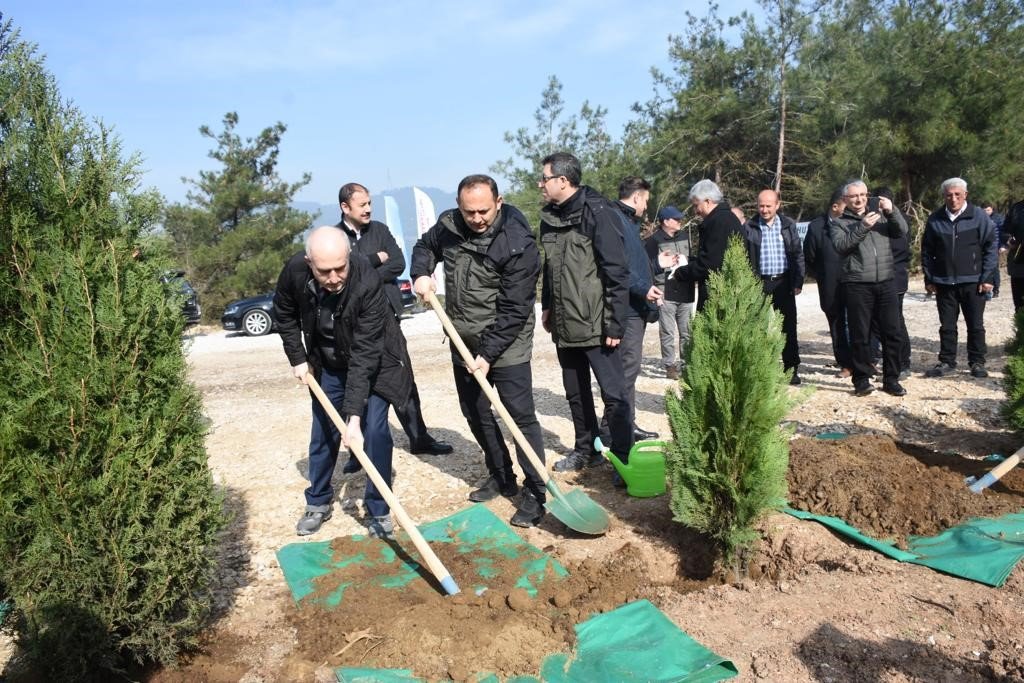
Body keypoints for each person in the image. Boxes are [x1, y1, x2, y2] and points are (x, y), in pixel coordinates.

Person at [410, 175, 547, 527]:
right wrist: (422, 273)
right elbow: (425, 247)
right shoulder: (449, 226)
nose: (477, 219)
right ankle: (501, 474)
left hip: (507, 343)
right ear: (459, 207)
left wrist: (487, 356)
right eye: (469, 211)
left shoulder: (517, 242)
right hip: (462, 338)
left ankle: (536, 492)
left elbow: (516, 309)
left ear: (498, 203)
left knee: (519, 417)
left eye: (484, 211)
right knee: (475, 411)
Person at [273, 226, 412, 538]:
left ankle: (379, 509)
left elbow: (365, 353)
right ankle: (318, 502)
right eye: (325, 271)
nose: (334, 278)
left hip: (375, 362)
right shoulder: (294, 272)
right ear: (309, 262)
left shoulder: (367, 282)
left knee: (374, 432)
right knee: (323, 430)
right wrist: (297, 357)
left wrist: (353, 417)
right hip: (327, 362)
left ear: (349, 257)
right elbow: (284, 314)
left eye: (340, 268)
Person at [336, 183, 452, 459]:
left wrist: (361, 272)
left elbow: (398, 263)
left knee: (404, 376)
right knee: (358, 382)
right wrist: (375, 259)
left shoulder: (379, 230)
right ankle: (358, 451)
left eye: (369, 203)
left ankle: (419, 437)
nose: (368, 209)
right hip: (353, 324)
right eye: (362, 204)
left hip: (388, 316)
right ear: (345, 207)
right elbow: (342, 272)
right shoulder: (335, 238)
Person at [538, 151, 633, 472]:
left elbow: (616, 272)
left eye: (545, 178)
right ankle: (585, 450)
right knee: (575, 393)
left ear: (563, 181)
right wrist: (548, 306)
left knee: (614, 395)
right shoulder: (548, 218)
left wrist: (615, 325)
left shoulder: (598, 213)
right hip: (565, 324)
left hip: (597, 323)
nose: (541, 184)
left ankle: (623, 457)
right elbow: (550, 267)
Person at [828, 179, 908, 397]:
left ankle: (891, 379)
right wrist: (862, 227)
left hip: (886, 281)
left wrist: (891, 212)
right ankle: (861, 379)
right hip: (857, 284)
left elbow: (901, 231)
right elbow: (842, 246)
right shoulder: (839, 223)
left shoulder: (882, 215)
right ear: (845, 200)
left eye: (863, 194)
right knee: (860, 335)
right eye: (854, 196)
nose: (859, 199)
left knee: (892, 333)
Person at [921, 177, 998, 379]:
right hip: (944, 282)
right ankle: (947, 361)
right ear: (944, 196)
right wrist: (929, 279)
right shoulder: (935, 219)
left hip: (973, 281)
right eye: (949, 195)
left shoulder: (979, 216)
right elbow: (927, 251)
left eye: (957, 194)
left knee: (975, 325)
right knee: (947, 326)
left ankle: (977, 362)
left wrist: (987, 277)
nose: (953, 198)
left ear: (965, 195)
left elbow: (990, 248)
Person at [611, 176, 661, 441]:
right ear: (637, 197)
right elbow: (616, 268)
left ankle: (624, 424)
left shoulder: (628, 221)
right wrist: (643, 288)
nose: (646, 208)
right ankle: (621, 429)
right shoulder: (617, 220)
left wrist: (657, 265)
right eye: (646, 201)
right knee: (626, 372)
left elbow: (634, 263)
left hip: (635, 308)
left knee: (629, 371)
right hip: (627, 311)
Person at [741, 189, 805, 384]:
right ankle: (760, 371)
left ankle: (791, 370)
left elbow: (797, 254)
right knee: (757, 329)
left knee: (788, 328)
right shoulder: (749, 227)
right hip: (758, 284)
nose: (764, 209)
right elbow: (743, 256)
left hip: (783, 283)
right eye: (761, 205)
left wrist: (798, 280)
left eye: (769, 206)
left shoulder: (788, 225)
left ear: (777, 205)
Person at [671, 179, 743, 312]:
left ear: (708, 202)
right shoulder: (726, 218)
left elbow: (710, 264)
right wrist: (688, 260)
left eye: (696, 205)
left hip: (718, 295)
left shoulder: (718, 222)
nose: (695, 211)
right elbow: (713, 255)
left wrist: (680, 273)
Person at [803, 188, 852, 377]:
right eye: (846, 206)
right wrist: (824, 275)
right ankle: (846, 364)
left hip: (854, 282)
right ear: (835, 206)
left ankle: (865, 360)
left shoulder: (853, 223)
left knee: (860, 322)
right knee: (838, 324)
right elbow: (810, 257)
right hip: (830, 286)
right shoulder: (816, 227)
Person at [645, 206, 695, 380]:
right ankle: (670, 366)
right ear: (666, 221)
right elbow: (647, 269)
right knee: (667, 332)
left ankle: (687, 365)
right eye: (676, 219)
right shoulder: (652, 241)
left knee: (687, 331)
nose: (680, 221)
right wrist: (655, 295)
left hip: (685, 290)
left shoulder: (684, 237)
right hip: (665, 291)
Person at [1006, 199, 1024, 311]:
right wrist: (1008, 239)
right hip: (1019, 265)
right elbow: (1005, 230)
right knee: (1020, 306)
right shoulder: (1017, 208)